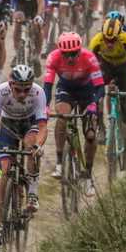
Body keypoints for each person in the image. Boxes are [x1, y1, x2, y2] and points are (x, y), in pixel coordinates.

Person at [0, 66, 47, 252]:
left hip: (29, 124)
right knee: (4, 170)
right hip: (8, 126)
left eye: (26, 89)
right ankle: (1, 212)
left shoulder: (38, 92)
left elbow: (43, 126)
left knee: (31, 148)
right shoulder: (1, 91)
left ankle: (32, 193)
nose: (22, 94)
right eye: (18, 89)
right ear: (10, 84)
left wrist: (38, 145)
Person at [43, 33, 105, 193]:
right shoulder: (53, 58)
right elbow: (48, 86)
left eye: (74, 53)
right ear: (60, 52)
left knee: (90, 135)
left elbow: (100, 87)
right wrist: (45, 106)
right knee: (62, 117)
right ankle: (59, 162)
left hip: (87, 92)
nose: (70, 58)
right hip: (66, 90)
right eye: (66, 54)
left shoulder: (89, 58)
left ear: (79, 50)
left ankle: (88, 176)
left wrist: (93, 105)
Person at [88, 18, 126, 168]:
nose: (109, 44)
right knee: (96, 95)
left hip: (124, 69)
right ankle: (101, 128)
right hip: (106, 67)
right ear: (102, 35)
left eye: (113, 40)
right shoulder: (96, 41)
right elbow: (89, 67)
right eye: (107, 40)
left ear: (119, 35)